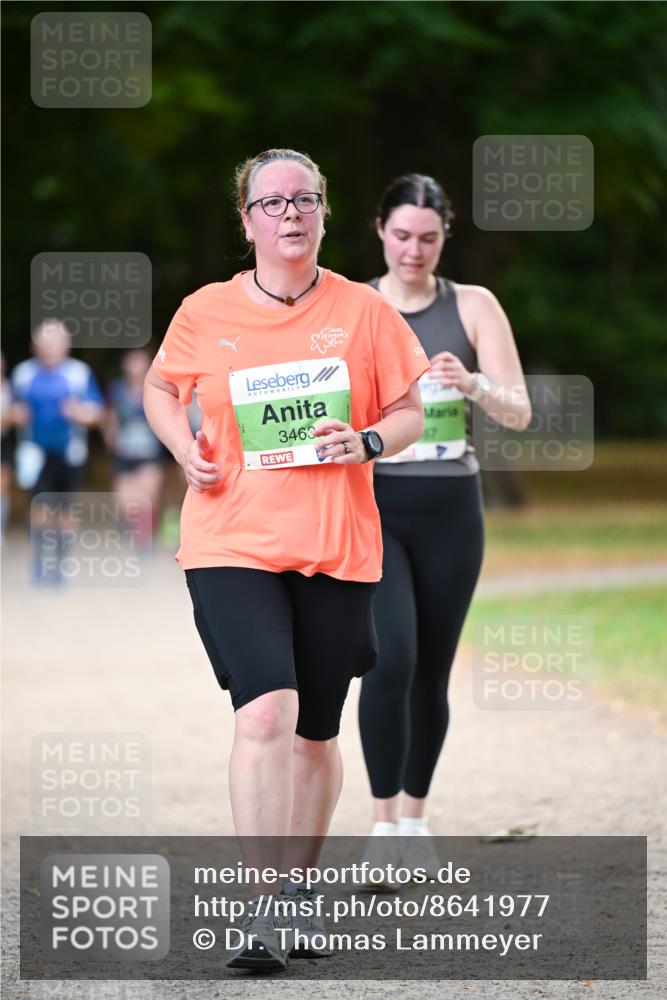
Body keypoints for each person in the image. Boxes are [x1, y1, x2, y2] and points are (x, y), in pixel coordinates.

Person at [143, 148, 428, 969]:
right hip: (229, 535)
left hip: (335, 544)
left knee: (311, 732)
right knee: (263, 711)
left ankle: (298, 896)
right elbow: (163, 389)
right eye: (272, 202)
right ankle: (265, 909)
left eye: (305, 200)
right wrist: (180, 448)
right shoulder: (205, 309)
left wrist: (366, 439)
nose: (290, 214)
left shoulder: (366, 313)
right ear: (247, 220)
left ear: (325, 214)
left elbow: (410, 409)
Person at [358, 174, 531, 881]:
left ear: (444, 239)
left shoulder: (474, 306)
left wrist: (473, 385)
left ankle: (412, 821)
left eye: (427, 237)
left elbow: (518, 411)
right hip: (376, 502)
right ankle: (377, 826)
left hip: (451, 507)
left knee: (430, 669)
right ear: (378, 230)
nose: (413, 250)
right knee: (388, 658)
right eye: (401, 235)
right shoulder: (355, 304)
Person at [11, 320, 104, 584]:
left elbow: (97, 413)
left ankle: (61, 566)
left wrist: (79, 412)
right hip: (35, 452)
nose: (49, 349)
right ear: (35, 346)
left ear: (66, 346)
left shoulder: (78, 373)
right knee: (39, 508)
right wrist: (16, 415)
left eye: (54, 344)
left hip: (69, 451)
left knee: (65, 511)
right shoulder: (23, 374)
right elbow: (12, 409)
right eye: (44, 344)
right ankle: (40, 562)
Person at [105, 347, 167, 548]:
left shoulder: (156, 388)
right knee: (125, 501)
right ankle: (136, 530)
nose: (136, 366)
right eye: (132, 361)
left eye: (140, 361)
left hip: (150, 452)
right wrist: (111, 434)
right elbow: (110, 416)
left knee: (148, 493)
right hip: (125, 453)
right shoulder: (118, 389)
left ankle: (145, 537)